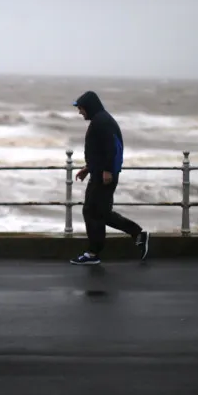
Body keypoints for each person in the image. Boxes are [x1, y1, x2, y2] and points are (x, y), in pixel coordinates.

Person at [69, 90, 149, 265]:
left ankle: (93, 253)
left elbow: (113, 148)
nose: (80, 112)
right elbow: (99, 151)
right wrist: (88, 168)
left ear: (89, 107)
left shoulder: (103, 122)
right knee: (101, 213)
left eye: (81, 109)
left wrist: (107, 171)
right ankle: (138, 234)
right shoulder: (100, 120)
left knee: (91, 212)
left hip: (104, 176)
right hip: (99, 173)